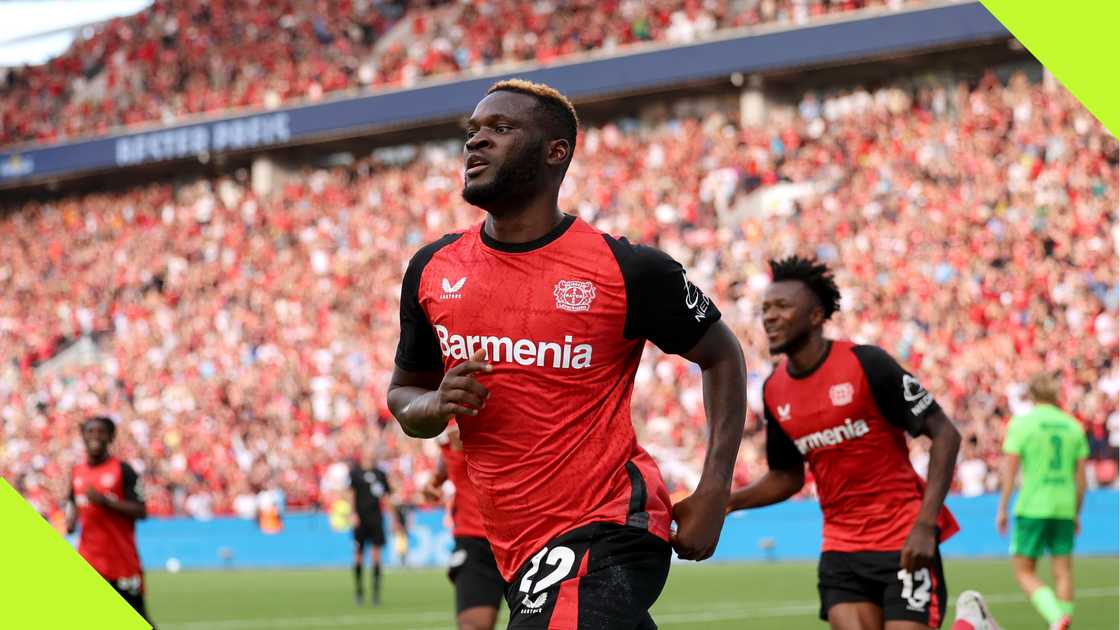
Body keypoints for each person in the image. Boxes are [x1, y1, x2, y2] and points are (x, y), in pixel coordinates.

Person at [388, 78, 747, 629]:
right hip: (515, 545)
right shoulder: (432, 269)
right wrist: (431, 407)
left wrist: (715, 488)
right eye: (473, 131)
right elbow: (403, 394)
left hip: (609, 522)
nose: (475, 142)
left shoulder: (627, 269)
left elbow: (721, 354)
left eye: (500, 129)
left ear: (556, 151)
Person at [726, 256, 962, 629]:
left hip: (902, 536)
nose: (769, 316)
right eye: (765, 309)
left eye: (782, 306)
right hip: (841, 547)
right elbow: (786, 476)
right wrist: (728, 501)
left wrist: (925, 523)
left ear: (816, 316)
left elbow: (945, 434)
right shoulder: (774, 390)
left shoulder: (868, 364)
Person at [996, 373, 1088, 630]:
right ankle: (1062, 620)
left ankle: (1056, 617)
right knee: (1063, 572)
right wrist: (1077, 512)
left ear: (1032, 395)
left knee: (1024, 571)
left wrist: (1002, 508)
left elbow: (1010, 473)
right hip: (1064, 507)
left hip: (1032, 506)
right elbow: (1081, 481)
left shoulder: (1022, 424)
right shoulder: (1073, 426)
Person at [67, 416, 151, 623]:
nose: (95, 436)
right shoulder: (76, 472)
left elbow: (141, 511)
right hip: (89, 561)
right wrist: (69, 523)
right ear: (83, 437)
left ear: (111, 437)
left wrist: (106, 502)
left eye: (101, 432)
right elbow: (73, 504)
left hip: (122, 564)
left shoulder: (123, 470)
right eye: (90, 431)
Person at [424, 423, 505, 630]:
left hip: (527, 537)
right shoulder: (443, 421)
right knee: (472, 626)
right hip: (475, 541)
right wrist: (436, 479)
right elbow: (448, 449)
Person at [350, 449, 393, 605]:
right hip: (361, 519)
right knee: (359, 554)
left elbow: (386, 497)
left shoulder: (380, 474)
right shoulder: (355, 473)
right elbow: (352, 494)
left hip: (376, 519)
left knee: (376, 555)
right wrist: (353, 513)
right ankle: (359, 591)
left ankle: (375, 593)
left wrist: (393, 518)